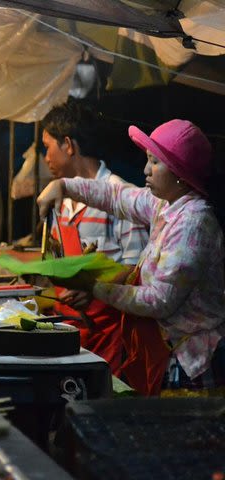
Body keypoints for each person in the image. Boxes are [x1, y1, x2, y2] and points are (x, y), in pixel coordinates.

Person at [37, 119, 225, 395]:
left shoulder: (192, 223)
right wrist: (64, 186)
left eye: (155, 162)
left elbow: (159, 300)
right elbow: (117, 196)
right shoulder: (166, 205)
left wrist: (94, 287)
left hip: (193, 361)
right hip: (169, 350)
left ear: (179, 172)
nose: (146, 169)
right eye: (148, 160)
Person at [0, 102, 148, 376]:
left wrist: (93, 288)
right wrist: (1, 257)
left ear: (68, 145)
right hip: (68, 326)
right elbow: (55, 262)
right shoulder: (60, 199)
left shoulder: (121, 196)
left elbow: (137, 270)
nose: (44, 156)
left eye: (47, 146)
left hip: (110, 331)